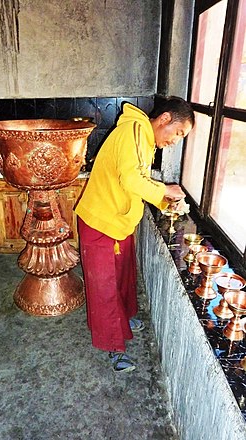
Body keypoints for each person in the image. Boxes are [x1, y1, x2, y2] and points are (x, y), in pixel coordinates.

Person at [75, 96, 195, 373]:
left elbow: (136, 182)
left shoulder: (142, 136)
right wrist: (166, 191)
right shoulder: (133, 132)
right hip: (100, 221)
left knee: (123, 276)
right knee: (103, 286)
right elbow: (130, 179)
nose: (175, 141)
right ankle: (114, 347)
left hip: (118, 221)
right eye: (177, 133)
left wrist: (165, 201)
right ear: (164, 119)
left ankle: (124, 317)